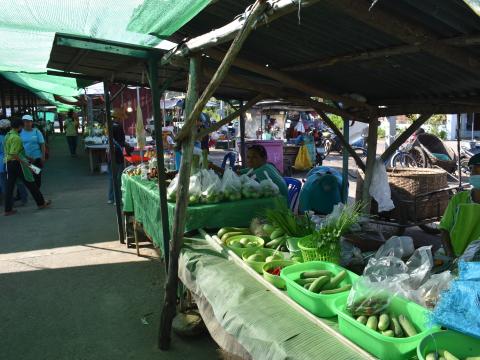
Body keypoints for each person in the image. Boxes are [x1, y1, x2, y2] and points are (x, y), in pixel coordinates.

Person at [3, 118, 50, 216]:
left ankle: (8, 209)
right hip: (18, 163)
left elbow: (13, 152)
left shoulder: (8, 135)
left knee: (10, 187)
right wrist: (26, 162)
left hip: (9, 163)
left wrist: (28, 157)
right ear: (20, 126)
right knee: (31, 182)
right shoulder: (16, 138)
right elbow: (14, 154)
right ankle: (41, 203)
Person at [439, 153, 480, 257]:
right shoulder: (459, 199)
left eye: (478, 170)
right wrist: (450, 254)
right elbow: (444, 228)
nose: (475, 173)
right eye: (473, 170)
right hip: (454, 255)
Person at [20, 115, 46, 188]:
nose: (27, 123)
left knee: (36, 177)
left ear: (32, 122)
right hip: (24, 159)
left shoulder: (37, 131)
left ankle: (37, 193)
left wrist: (43, 157)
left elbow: (42, 144)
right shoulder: (19, 132)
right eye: (25, 121)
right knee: (24, 177)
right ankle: (21, 194)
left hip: (36, 159)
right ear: (22, 122)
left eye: (29, 121)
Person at [107, 115, 126, 204]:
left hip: (111, 156)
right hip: (118, 156)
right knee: (118, 179)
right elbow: (122, 141)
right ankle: (117, 199)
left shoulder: (110, 126)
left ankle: (111, 198)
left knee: (112, 178)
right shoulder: (118, 127)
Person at [0, 119, 10, 204]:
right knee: (7, 183)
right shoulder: (11, 136)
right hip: (9, 161)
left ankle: (8, 202)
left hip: (2, 163)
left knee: (3, 183)